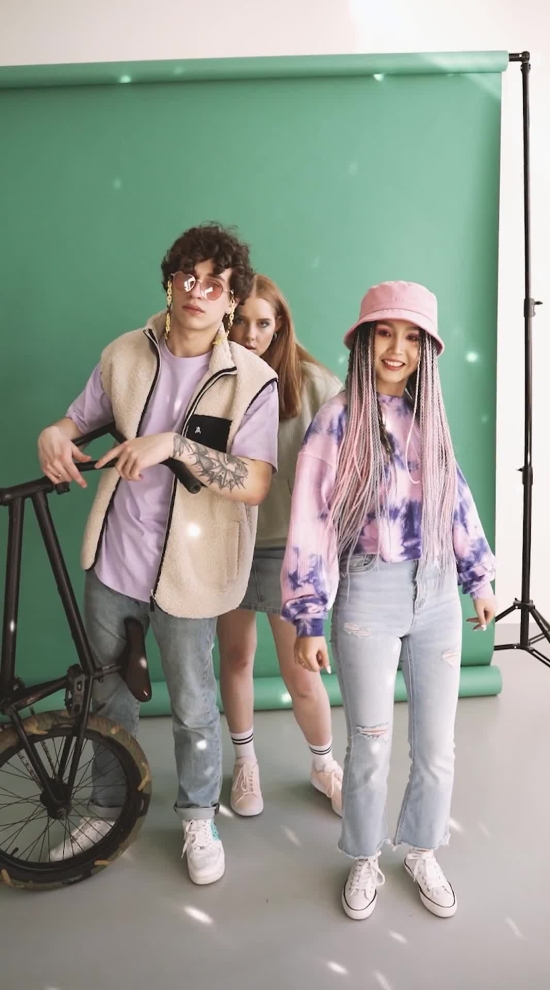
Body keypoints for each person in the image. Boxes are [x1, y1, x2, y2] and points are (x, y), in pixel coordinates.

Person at [37, 223, 279, 886]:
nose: (198, 292)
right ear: (169, 283)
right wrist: (53, 433)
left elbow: (256, 481)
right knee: (105, 694)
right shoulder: (123, 355)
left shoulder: (252, 380)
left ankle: (198, 817)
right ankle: (105, 810)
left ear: (232, 300)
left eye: (215, 284)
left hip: (192, 574)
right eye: (187, 277)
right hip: (115, 562)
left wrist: (174, 445)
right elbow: (75, 421)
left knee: (195, 704)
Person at [281, 281, 496, 920]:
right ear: (364, 341)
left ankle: (423, 850)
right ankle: (365, 856)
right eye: (384, 333)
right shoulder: (336, 419)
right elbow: (312, 519)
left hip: (436, 591)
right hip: (367, 591)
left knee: (436, 745)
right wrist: (308, 616)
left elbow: (455, 499)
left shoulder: (431, 420)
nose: (396, 348)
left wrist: (478, 577)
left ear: (426, 350)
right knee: (370, 740)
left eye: (411, 337)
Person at [217, 275, 343, 817]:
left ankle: (324, 764)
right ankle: (245, 763)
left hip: (287, 548)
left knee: (302, 671)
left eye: (263, 323)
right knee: (236, 657)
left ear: (280, 326)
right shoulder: (213, 379)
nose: (250, 334)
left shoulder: (316, 385)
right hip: (226, 540)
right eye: (239, 321)